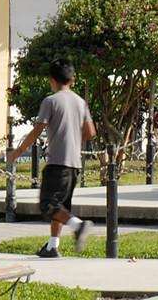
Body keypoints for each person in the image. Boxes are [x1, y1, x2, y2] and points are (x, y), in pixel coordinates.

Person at [5, 60, 95, 258]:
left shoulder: (50, 101)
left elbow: (37, 131)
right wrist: (73, 139)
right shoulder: (80, 102)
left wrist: (18, 152)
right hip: (75, 164)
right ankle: (52, 246)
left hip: (57, 162)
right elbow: (91, 132)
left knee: (48, 204)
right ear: (72, 79)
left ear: (51, 80)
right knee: (61, 207)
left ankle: (78, 225)